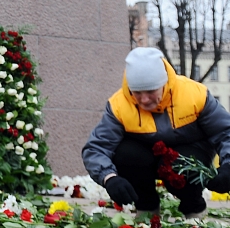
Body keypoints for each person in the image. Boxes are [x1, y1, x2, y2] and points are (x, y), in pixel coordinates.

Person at [82, 47, 230, 219]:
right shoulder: (119, 105)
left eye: (151, 91)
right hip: (144, 158)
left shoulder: (194, 95)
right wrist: (109, 178)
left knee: (183, 163)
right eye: (137, 92)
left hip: (189, 153)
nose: (144, 99)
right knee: (125, 154)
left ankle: (194, 207)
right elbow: (96, 147)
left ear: (164, 83)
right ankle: (146, 208)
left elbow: (225, 131)